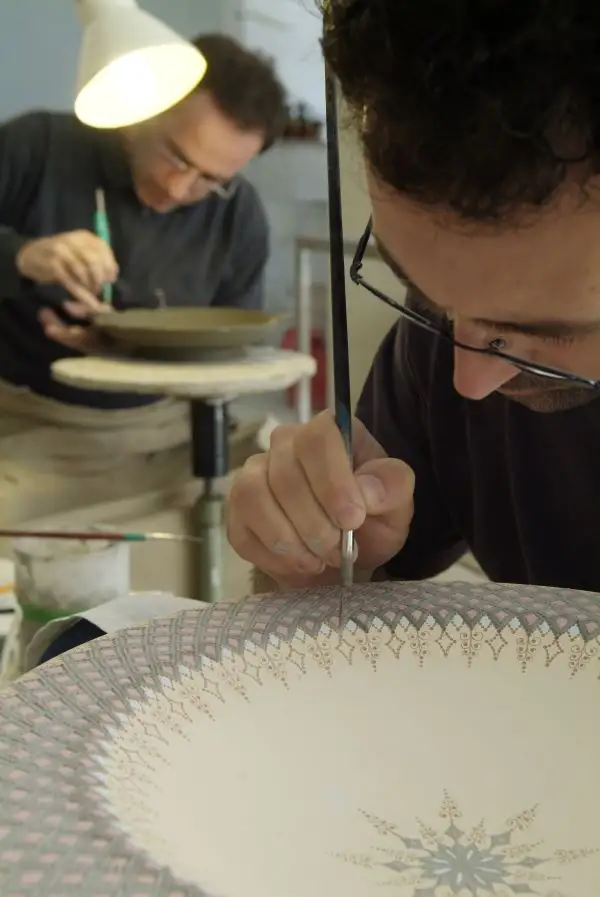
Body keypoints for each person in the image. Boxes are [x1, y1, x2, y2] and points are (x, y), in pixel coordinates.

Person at [227, 0, 600, 596]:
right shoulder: (441, 341)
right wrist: (316, 564)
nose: (468, 381)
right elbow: (354, 602)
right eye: (427, 295)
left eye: (546, 334)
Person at [0, 33, 286, 527]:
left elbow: (232, 356)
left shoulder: (237, 216)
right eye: (176, 156)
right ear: (144, 114)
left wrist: (125, 351)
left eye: (209, 179)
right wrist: (23, 255)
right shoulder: (38, 146)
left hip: (172, 431)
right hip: (38, 426)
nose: (179, 188)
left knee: (286, 496)